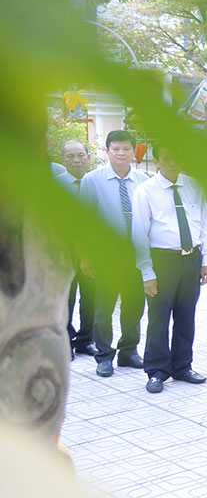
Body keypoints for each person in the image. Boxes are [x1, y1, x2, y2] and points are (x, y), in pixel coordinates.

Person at [130, 142, 207, 394]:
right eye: (166, 159)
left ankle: (182, 366)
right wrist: (147, 272)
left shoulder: (194, 186)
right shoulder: (145, 191)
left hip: (190, 259)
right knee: (158, 316)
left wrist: (206, 261)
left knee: (186, 314)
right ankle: (156, 371)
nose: (172, 163)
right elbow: (139, 234)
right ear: (156, 161)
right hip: (161, 260)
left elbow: (205, 224)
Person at [77, 130, 148, 377]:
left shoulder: (143, 179)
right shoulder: (92, 180)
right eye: (115, 149)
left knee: (134, 306)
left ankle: (128, 352)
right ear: (107, 151)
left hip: (137, 255)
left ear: (133, 152)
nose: (121, 153)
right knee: (103, 308)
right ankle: (104, 356)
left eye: (126, 149)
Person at [59, 139, 98, 359]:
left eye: (80, 155)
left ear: (88, 157)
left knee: (91, 297)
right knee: (66, 298)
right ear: (62, 159)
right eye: (70, 156)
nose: (76, 160)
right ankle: (65, 341)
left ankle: (86, 340)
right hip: (63, 252)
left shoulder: (96, 183)